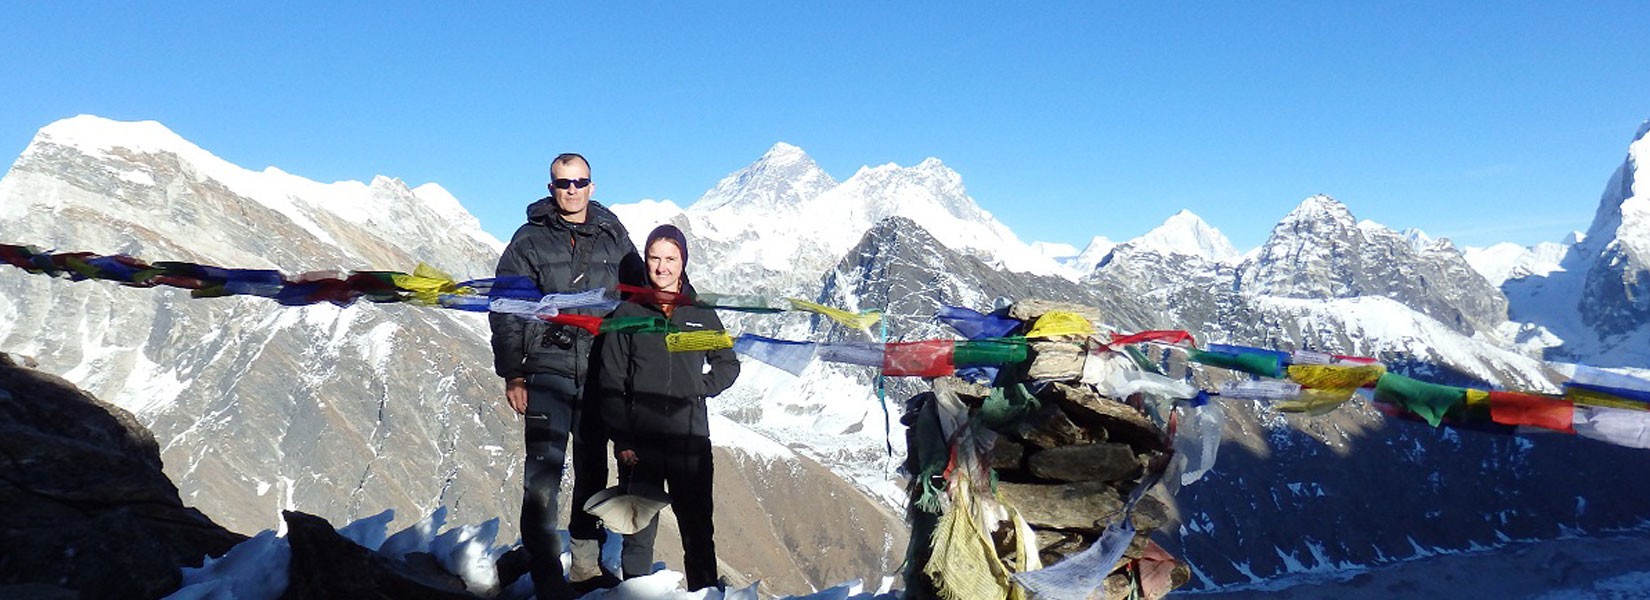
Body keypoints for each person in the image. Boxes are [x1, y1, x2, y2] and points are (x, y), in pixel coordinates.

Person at [490, 153, 640, 599]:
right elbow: (505, 308)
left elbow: (643, 291)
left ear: (593, 185)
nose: (571, 190)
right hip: (545, 372)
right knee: (542, 478)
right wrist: (513, 373)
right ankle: (545, 575)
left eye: (580, 182)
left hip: (599, 372)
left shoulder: (616, 238)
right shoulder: (529, 240)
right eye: (563, 183)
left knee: (593, 470)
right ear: (551, 187)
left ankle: (586, 565)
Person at [593, 224, 740, 591]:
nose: (662, 267)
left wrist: (700, 388)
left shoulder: (699, 314)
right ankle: (636, 594)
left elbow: (727, 363)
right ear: (646, 262)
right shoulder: (628, 314)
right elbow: (611, 382)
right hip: (640, 444)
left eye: (670, 259)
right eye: (654, 258)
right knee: (638, 532)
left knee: (697, 530)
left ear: (683, 262)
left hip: (689, 440)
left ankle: (706, 594)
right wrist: (622, 439)